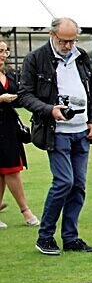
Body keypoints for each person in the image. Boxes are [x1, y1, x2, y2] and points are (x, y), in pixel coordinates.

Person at [18, 17, 92, 255]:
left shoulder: (81, 56)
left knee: (79, 186)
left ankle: (70, 237)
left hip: (82, 131)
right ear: (52, 35)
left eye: (72, 40)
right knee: (64, 181)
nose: (68, 45)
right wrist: (50, 110)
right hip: (57, 132)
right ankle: (45, 236)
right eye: (64, 41)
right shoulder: (35, 59)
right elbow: (25, 95)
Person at [0, 40, 39, 228]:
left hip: (9, 128)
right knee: (11, 170)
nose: (3, 55)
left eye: (5, 51)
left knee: (6, 170)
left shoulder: (8, 74)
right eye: (0, 51)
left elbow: (20, 95)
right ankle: (25, 211)